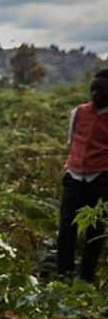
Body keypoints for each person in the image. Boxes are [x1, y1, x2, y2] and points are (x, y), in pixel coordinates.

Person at [57, 69, 108, 281]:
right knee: (66, 228)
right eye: (93, 89)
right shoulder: (78, 112)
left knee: (94, 231)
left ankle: (87, 277)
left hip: (101, 179)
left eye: (101, 90)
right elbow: (72, 141)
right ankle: (63, 274)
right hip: (75, 176)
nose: (95, 94)